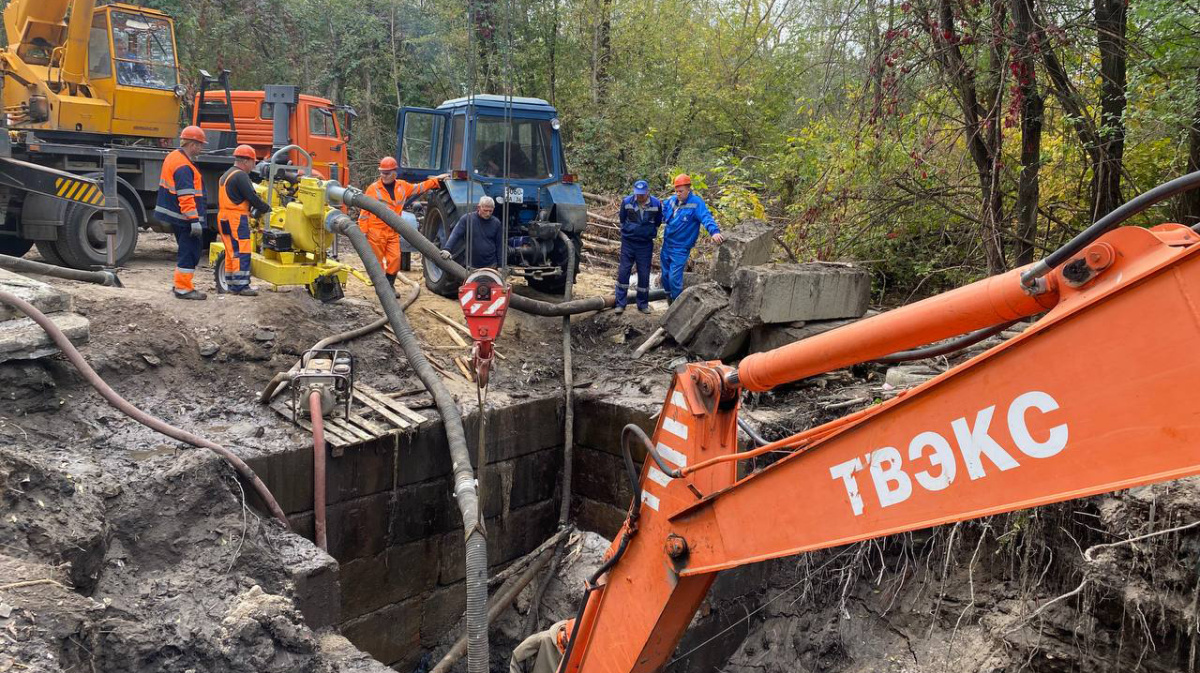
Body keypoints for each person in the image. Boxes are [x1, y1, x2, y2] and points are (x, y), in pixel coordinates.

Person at [358, 156, 448, 286]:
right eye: (382, 172)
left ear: (395, 173)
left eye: (387, 173)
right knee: (376, 263)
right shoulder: (373, 189)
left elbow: (420, 188)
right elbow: (364, 212)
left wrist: (436, 180)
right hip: (375, 232)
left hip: (393, 231)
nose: (384, 175)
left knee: (395, 259)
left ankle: (389, 285)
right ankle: (382, 288)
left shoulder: (402, 186)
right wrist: (362, 232)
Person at [156, 125, 209, 300]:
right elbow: (186, 196)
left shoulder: (174, 157)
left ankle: (181, 285)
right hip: (185, 217)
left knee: (186, 250)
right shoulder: (184, 166)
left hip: (178, 216)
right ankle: (183, 288)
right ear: (192, 144)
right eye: (200, 145)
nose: (201, 148)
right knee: (190, 251)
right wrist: (194, 219)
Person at [216, 145, 271, 296]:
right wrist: (266, 208)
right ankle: (242, 286)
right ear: (246, 161)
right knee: (242, 251)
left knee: (231, 251)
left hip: (224, 217)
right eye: (253, 162)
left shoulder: (226, 174)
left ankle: (232, 284)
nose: (254, 166)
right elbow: (252, 197)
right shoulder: (241, 176)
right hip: (236, 218)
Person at [660, 174, 724, 302]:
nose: (678, 194)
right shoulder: (672, 200)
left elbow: (706, 217)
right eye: (676, 191)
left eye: (681, 191)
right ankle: (668, 299)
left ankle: (676, 304)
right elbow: (660, 210)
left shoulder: (696, 203)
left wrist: (714, 232)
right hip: (667, 244)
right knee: (665, 276)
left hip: (681, 247)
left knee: (674, 278)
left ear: (688, 189)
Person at [614, 179, 663, 314]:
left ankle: (642, 304)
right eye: (637, 194)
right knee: (624, 272)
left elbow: (658, 221)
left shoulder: (656, 204)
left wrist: (646, 231)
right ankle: (620, 304)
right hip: (628, 242)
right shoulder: (627, 202)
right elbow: (622, 219)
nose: (639, 196)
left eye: (642, 194)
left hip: (645, 244)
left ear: (647, 192)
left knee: (644, 273)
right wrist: (631, 230)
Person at [441, 196, 506, 268]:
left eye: (490, 211)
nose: (488, 214)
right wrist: (447, 249)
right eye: (485, 210)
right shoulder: (467, 219)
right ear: (478, 207)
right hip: (472, 266)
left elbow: (500, 245)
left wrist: (501, 265)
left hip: (491, 266)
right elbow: (455, 235)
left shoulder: (496, 223)